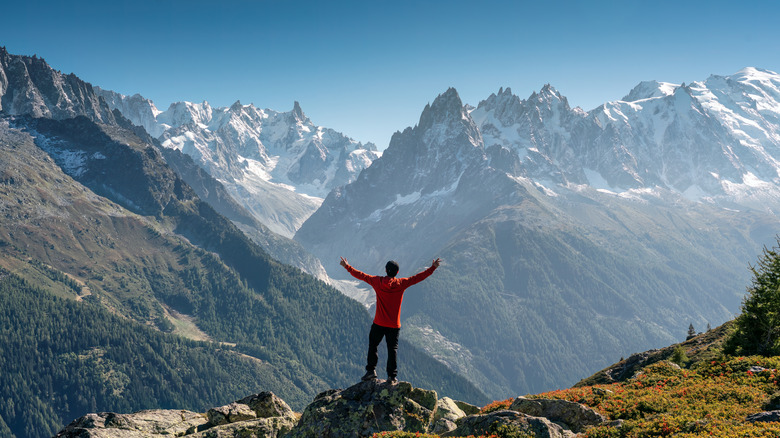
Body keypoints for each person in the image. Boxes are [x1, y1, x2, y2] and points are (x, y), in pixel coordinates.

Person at [340, 256, 441, 384]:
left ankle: (371, 371)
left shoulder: (377, 281)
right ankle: (392, 376)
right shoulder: (401, 283)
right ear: (397, 273)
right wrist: (433, 268)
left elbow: (361, 275)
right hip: (394, 325)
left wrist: (346, 266)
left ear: (386, 270)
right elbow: (417, 278)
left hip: (379, 323)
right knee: (392, 349)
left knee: (373, 345)